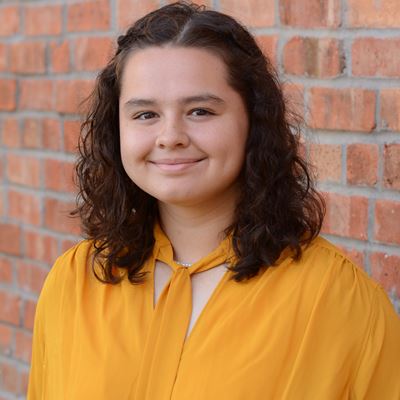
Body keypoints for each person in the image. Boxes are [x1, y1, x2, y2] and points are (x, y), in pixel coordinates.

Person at [27, 2, 400, 399]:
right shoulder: (74, 283)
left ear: (254, 121)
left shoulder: (339, 303)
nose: (171, 136)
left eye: (200, 111)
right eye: (145, 114)